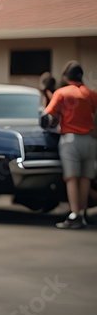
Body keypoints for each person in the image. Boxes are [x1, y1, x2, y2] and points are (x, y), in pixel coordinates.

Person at [42, 62, 97, 228]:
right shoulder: (91, 94)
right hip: (90, 140)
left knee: (72, 178)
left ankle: (74, 215)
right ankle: (83, 213)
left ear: (66, 76)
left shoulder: (62, 93)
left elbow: (47, 116)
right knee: (86, 177)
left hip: (70, 139)